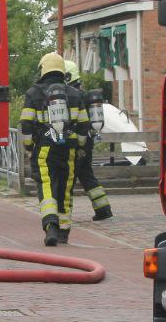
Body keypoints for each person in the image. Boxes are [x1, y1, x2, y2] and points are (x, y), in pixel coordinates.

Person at [21, 51, 87, 246]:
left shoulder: (33, 93)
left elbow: (26, 123)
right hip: (70, 150)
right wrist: (80, 145)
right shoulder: (75, 94)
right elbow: (84, 124)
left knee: (47, 185)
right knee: (66, 188)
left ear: (43, 69)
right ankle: (64, 231)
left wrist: (28, 146)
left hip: (44, 148)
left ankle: (51, 226)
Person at [63, 60, 113, 221]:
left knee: (68, 177)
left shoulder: (71, 96)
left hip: (76, 142)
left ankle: (64, 213)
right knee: (86, 175)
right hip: (87, 142)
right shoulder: (84, 95)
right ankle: (103, 209)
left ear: (67, 76)